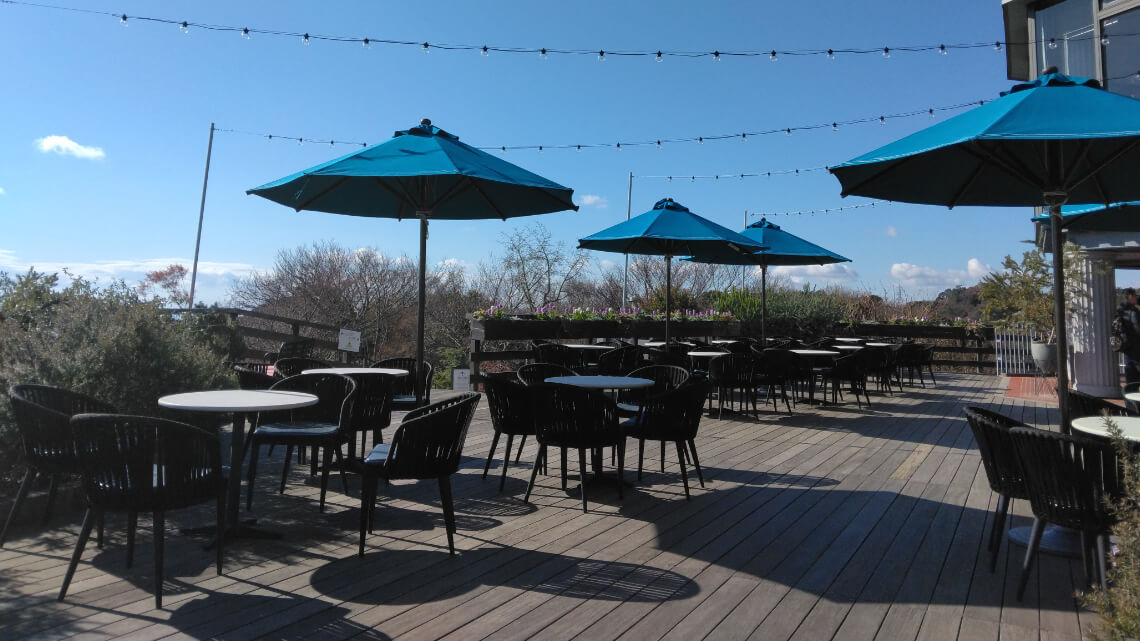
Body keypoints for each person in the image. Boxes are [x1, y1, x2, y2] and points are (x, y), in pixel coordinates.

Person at [1118, 288, 1140, 407]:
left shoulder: (1120, 310)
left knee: (1130, 381)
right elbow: (1137, 328)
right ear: (1130, 296)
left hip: (1126, 349)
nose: (1136, 297)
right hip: (1137, 349)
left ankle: (1131, 406)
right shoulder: (1133, 311)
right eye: (1135, 295)